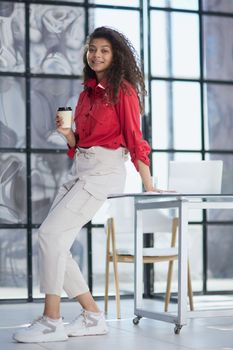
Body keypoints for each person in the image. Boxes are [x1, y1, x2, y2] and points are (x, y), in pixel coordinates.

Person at [13, 26, 159, 344]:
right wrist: (68, 136)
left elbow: (136, 140)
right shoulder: (85, 94)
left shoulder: (124, 91)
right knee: (56, 241)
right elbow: (81, 141)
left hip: (104, 172)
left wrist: (148, 182)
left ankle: (52, 320)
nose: (96, 55)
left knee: (49, 235)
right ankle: (92, 315)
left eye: (104, 50)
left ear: (115, 55)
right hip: (79, 168)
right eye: (92, 49)